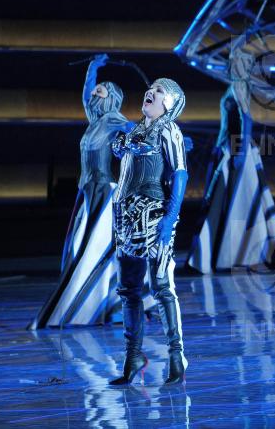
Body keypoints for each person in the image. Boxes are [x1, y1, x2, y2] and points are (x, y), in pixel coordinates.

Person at [30, 54, 132, 329]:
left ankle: (104, 303)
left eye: (101, 91)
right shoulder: (94, 120)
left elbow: (135, 131)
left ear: (111, 98)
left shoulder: (114, 119)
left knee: (94, 247)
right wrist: (93, 67)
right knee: (77, 246)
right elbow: (86, 94)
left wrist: (165, 138)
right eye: (96, 91)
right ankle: (96, 300)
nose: (95, 94)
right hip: (86, 190)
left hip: (103, 190)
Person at [109, 78, 189, 386]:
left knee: (161, 286)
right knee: (128, 290)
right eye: (150, 88)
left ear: (169, 103)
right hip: (124, 217)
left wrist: (170, 218)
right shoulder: (134, 132)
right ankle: (133, 357)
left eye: (159, 91)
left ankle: (177, 355)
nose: (150, 93)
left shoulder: (169, 129)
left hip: (153, 216)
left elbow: (180, 174)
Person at [188, 55, 275, 272]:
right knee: (233, 200)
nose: (231, 67)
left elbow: (246, 120)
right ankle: (231, 253)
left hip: (237, 150)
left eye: (236, 64)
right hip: (230, 148)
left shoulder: (240, 86)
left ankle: (239, 253)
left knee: (238, 200)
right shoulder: (236, 86)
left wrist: (239, 153)